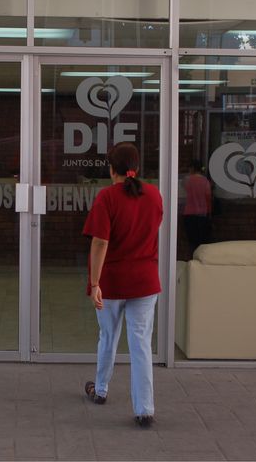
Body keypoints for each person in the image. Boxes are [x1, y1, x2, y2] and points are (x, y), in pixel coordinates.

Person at [82, 142, 164, 428]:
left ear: (110, 169)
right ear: (136, 167)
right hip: (145, 281)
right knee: (141, 344)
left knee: (108, 336)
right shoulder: (154, 195)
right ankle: (145, 409)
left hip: (113, 281)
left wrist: (94, 283)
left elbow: (100, 242)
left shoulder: (107, 197)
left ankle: (101, 390)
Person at [183, 159, 212, 255]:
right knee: (202, 240)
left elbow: (183, 191)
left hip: (189, 213)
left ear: (192, 168)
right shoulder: (205, 181)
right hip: (202, 214)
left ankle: (192, 257)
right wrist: (209, 213)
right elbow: (208, 198)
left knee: (191, 240)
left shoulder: (187, 180)